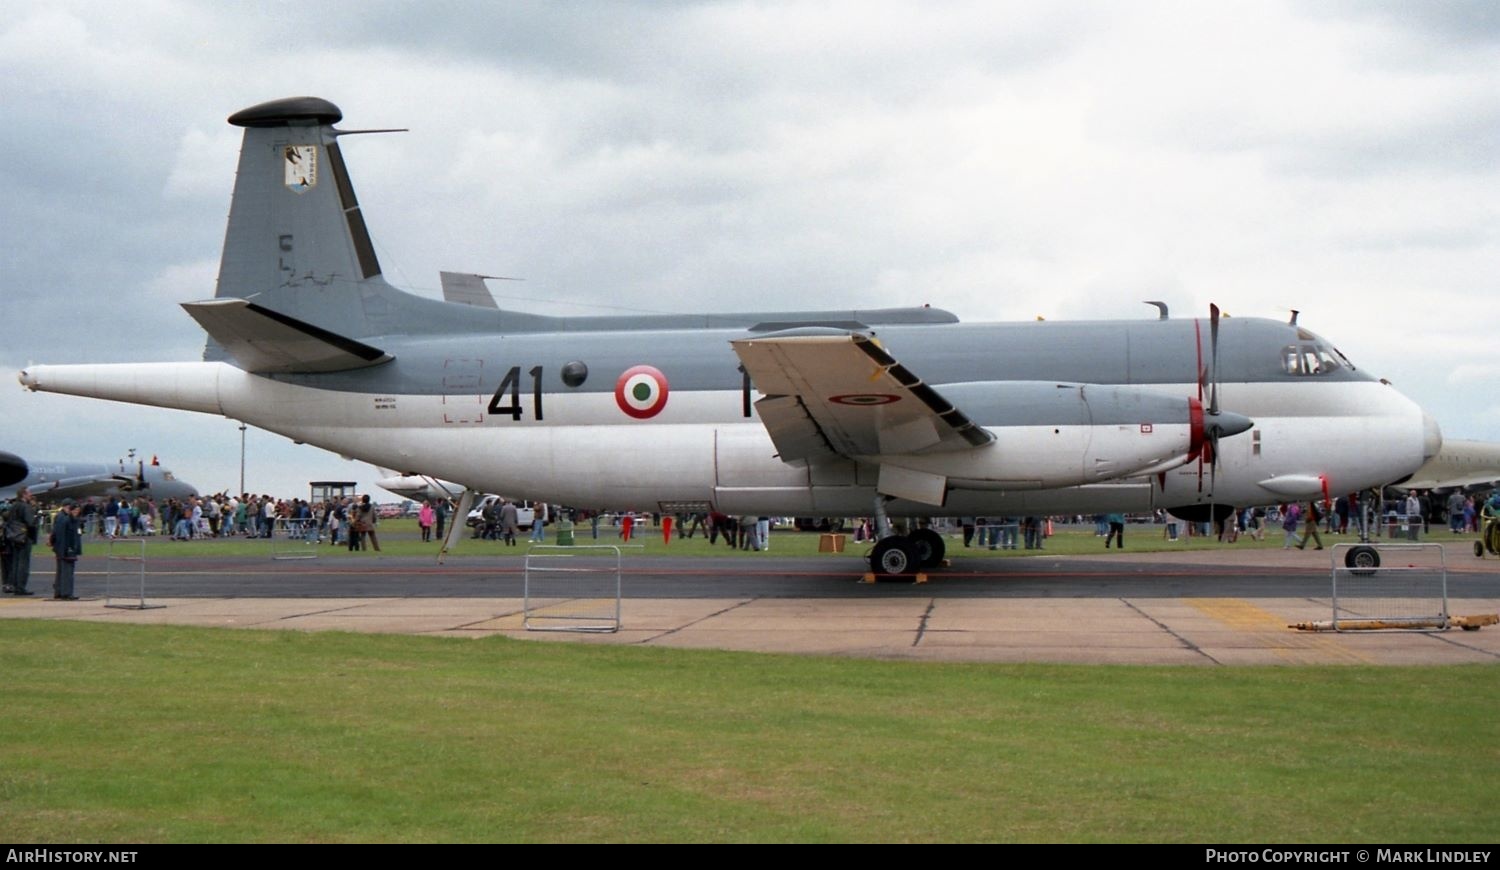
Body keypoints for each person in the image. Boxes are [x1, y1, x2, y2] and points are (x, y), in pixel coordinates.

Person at [4, 488, 39, 596]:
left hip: (13, 536)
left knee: (15, 562)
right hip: (24, 536)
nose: (31, 495)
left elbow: (7, 518)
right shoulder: (25, 506)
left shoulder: (14, 506)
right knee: (23, 563)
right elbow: (30, 523)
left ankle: (13, 585)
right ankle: (21, 587)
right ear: (24, 494)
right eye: (29, 493)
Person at [49, 499, 83, 600]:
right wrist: (66, 549)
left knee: (62, 571)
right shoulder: (65, 519)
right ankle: (66, 593)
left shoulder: (68, 519)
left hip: (65, 548)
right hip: (66, 549)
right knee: (66, 572)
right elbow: (61, 535)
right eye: (74, 510)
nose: (76, 512)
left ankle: (60, 592)